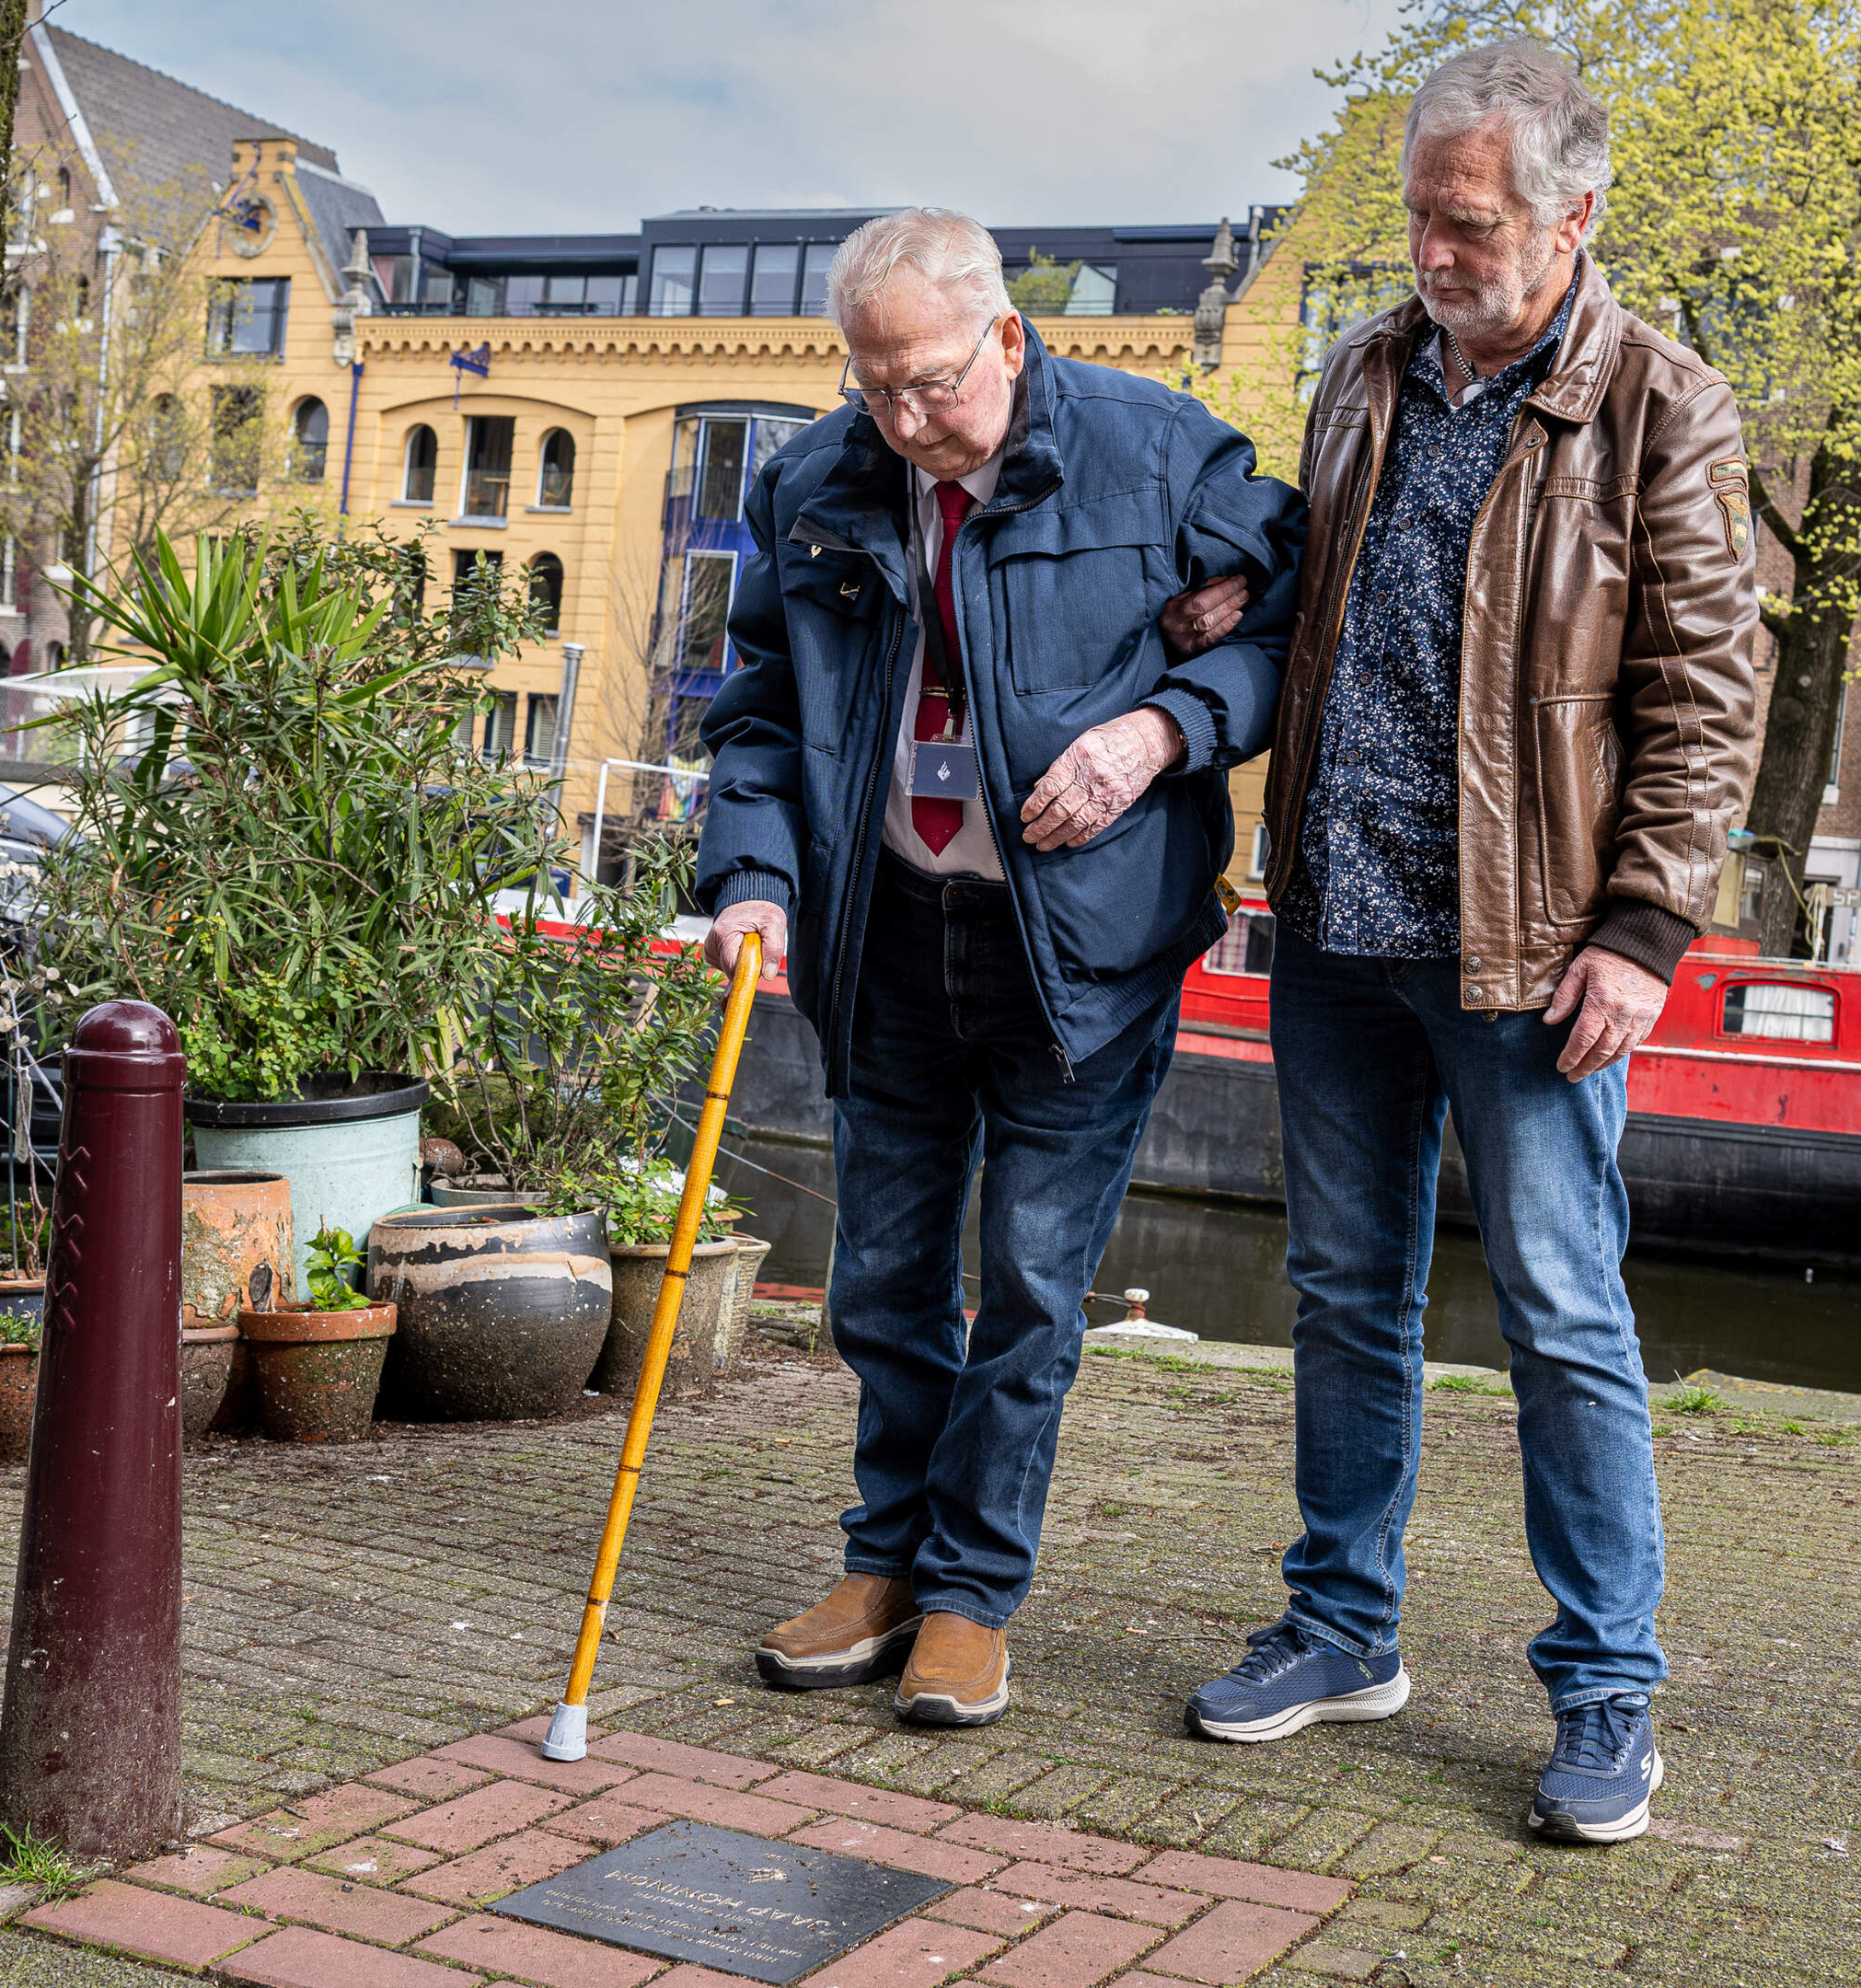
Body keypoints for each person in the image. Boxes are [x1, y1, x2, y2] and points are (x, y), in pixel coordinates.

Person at [1167, 43, 1760, 1844]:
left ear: (1575, 218)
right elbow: (1339, 578)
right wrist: (1241, 601)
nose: (1431, 247)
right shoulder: (1365, 369)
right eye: (1420, 213)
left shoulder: (1663, 405)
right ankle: (1343, 1628)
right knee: (1346, 1294)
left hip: (1529, 948)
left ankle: (1605, 1691)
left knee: (1566, 1318)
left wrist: (1647, 927)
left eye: (1467, 219)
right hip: (1335, 923)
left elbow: (1710, 693)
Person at [693, 207, 1298, 1728]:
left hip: (1080, 946)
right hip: (889, 932)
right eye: (874, 386)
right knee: (884, 1280)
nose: (906, 422)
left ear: (1009, 339)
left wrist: (1162, 728)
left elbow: (1292, 621)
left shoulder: (1156, 452)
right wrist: (754, 877)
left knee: (1029, 1286)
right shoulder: (821, 483)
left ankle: (973, 1591)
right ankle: (883, 1560)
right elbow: (761, 707)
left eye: (935, 386)